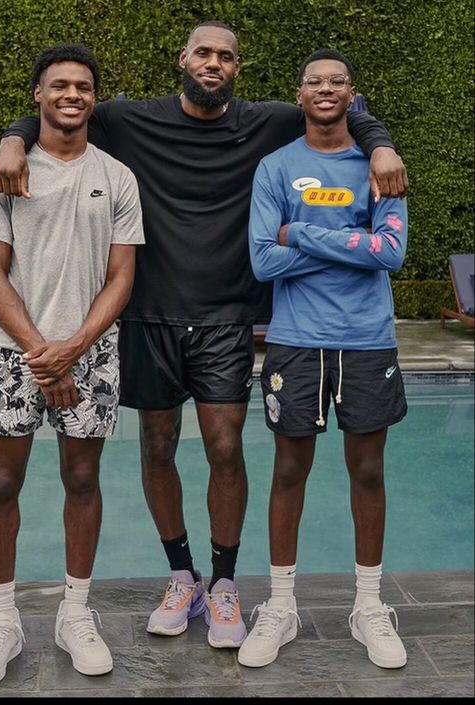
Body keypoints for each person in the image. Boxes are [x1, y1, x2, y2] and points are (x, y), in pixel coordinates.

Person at [0, 22, 408, 650]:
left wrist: (380, 145)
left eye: (226, 56)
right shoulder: (130, 121)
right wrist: (11, 141)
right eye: (204, 53)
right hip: (149, 315)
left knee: (225, 447)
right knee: (157, 448)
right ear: (183, 59)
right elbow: (58, 109)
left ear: (239, 68)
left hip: (226, 317)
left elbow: (342, 106)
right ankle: (181, 573)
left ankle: (225, 582)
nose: (214, 63)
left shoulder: (268, 125)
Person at [0, 43, 144, 687]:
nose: (73, 94)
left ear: (94, 97)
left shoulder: (118, 176)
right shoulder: (4, 169)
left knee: (84, 479)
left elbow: (121, 277)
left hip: (90, 356)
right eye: (60, 85)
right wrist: (45, 354)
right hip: (12, 355)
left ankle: (75, 614)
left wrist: (73, 349)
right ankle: (3, 621)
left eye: (84, 86)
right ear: (37, 95)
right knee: (2, 484)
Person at [239, 48, 408, 669]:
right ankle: (279, 606)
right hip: (297, 338)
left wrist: (301, 234)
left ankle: (368, 606)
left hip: (366, 339)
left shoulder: (381, 168)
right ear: (301, 93)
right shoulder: (275, 167)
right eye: (315, 81)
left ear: (351, 93)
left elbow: (391, 252)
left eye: (338, 81)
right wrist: (350, 245)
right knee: (289, 472)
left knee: (367, 470)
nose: (326, 89)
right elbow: (262, 259)